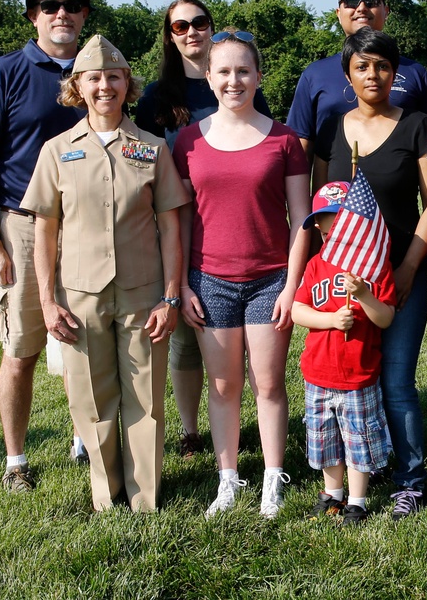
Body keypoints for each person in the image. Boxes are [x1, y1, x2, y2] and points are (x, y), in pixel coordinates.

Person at [21, 35, 188, 512]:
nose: (104, 86)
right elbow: (45, 232)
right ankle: (107, 493)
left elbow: (171, 227)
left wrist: (171, 296)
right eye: (93, 78)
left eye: (114, 77)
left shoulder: (151, 148)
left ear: (127, 84)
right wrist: (48, 301)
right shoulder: (57, 151)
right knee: (92, 399)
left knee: (145, 398)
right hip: (81, 295)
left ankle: (145, 496)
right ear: (78, 86)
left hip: (143, 292)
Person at [0, 0, 91, 492]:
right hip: (23, 225)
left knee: (89, 339)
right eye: (49, 5)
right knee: (22, 348)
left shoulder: (96, 72)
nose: (61, 14)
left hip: (87, 230)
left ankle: (88, 439)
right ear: (34, 15)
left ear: (83, 14)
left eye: (71, 5)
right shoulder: (4, 72)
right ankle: (16, 460)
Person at [174, 28, 310, 519]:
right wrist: (184, 282)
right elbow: (183, 218)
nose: (234, 80)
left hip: (271, 278)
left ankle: (274, 477)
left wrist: (292, 286)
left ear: (258, 75)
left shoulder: (285, 140)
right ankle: (228, 479)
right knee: (224, 386)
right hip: (210, 280)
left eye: (244, 71)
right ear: (209, 78)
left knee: (269, 384)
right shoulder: (188, 141)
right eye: (224, 71)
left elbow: (301, 220)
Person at [135, 0, 272, 459]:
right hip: (179, 225)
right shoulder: (157, 96)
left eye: (199, 22)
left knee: (250, 349)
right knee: (187, 342)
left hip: (238, 235)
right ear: (170, 35)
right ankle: (192, 431)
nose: (190, 31)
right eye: (179, 25)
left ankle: (249, 422)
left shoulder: (241, 83)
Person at [312, 28, 427, 519]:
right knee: (351, 381)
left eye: (383, 66)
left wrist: (409, 267)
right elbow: (322, 207)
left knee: (398, 381)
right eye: (363, 66)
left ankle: (411, 480)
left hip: (397, 274)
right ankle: (364, 468)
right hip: (343, 284)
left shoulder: (418, 125)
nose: (373, 75)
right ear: (348, 74)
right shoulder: (330, 128)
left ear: (395, 72)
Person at [293, 182, 397, 526]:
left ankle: (357, 500)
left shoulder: (373, 268)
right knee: (325, 441)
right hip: (318, 374)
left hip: (357, 375)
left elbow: (385, 318)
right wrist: (331, 320)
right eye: (324, 229)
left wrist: (365, 295)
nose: (330, 236)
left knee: (358, 441)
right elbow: (297, 311)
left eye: (338, 227)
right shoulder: (315, 266)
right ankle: (332, 493)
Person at [287, 0, 427, 157]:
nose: (361, 8)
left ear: (386, 10)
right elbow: (300, 147)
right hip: (333, 183)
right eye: (351, 2)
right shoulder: (314, 74)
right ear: (338, 13)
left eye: (371, 1)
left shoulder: (415, 72)